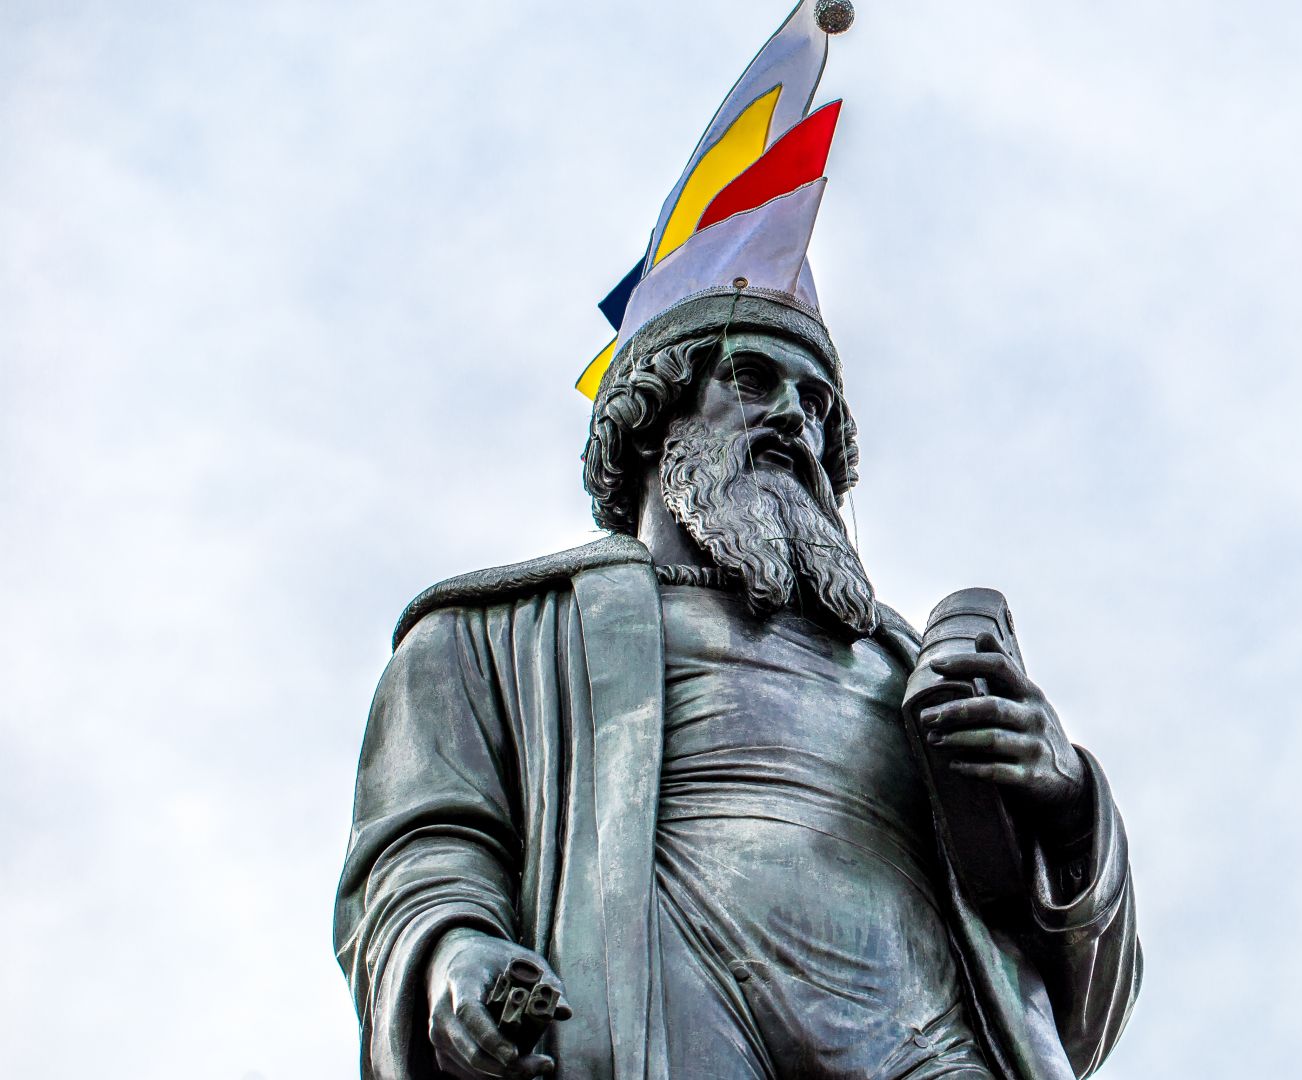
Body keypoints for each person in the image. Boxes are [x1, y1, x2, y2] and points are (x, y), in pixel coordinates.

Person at [335, 7, 1139, 1078]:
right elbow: (421, 852)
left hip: (930, 1042)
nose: (796, 424)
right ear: (656, 426)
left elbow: (1071, 987)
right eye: (754, 383)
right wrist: (454, 953)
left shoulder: (906, 670)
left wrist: (1062, 799)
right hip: (664, 1011)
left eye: (818, 406)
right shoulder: (493, 636)